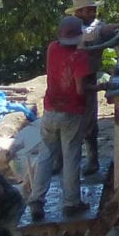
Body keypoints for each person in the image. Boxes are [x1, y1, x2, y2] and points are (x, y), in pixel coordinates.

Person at [35, 17, 91, 223]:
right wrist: (90, 90)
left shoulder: (52, 48)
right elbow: (79, 89)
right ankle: (71, 202)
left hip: (50, 110)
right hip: (71, 112)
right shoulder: (80, 56)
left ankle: (36, 200)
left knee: (46, 155)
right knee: (71, 156)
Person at [67, 0, 116, 176]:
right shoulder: (74, 29)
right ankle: (70, 162)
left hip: (89, 75)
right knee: (74, 123)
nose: (94, 13)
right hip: (74, 78)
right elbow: (91, 34)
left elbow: (98, 29)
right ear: (79, 12)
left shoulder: (91, 25)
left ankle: (92, 159)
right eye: (90, 10)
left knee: (90, 122)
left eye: (94, 10)